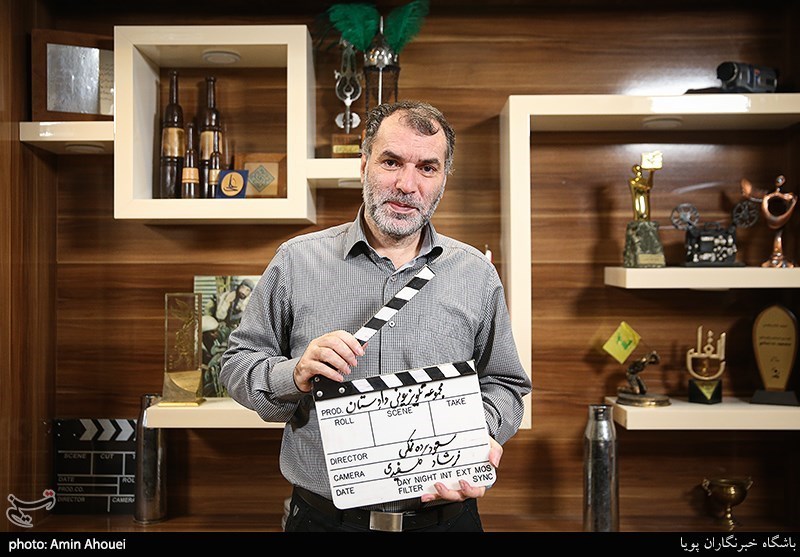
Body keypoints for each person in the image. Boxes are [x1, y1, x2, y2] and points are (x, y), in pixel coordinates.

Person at [220, 100, 532, 532]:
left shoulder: (475, 273)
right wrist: (294, 373)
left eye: (427, 167)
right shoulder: (296, 261)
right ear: (364, 164)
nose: (407, 184)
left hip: (444, 520)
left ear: (443, 179)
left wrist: (477, 429)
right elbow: (236, 366)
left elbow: (505, 383)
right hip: (325, 521)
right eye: (391, 162)